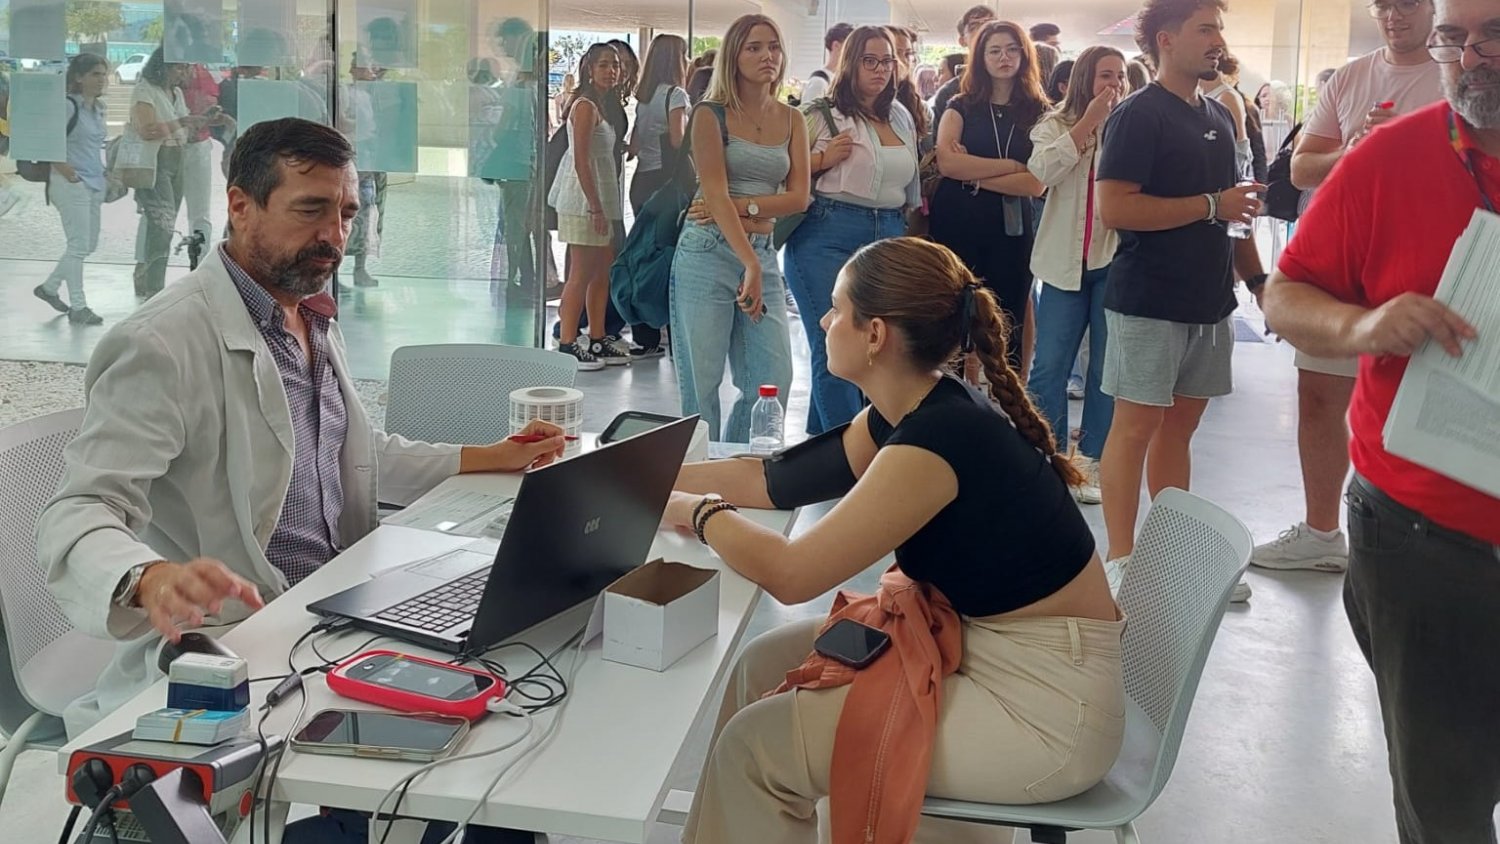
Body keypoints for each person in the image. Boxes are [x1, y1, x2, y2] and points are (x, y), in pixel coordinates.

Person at [36, 117, 567, 738]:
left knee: (521, 680)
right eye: (310, 210)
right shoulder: (161, 343)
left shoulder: (307, 316)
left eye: (345, 214)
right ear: (240, 205)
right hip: (240, 640)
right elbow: (79, 509)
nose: (332, 237)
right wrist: (149, 577)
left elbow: (349, 451)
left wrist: (490, 456)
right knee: (488, 732)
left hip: (336, 605)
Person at [668, 237, 1124, 844]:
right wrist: (631, 478)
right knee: (761, 664)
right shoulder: (909, 411)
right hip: (989, 649)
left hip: (1045, 709)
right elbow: (773, 480)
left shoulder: (939, 440)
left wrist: (699, 513)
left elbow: (793, 573)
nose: (825, 321)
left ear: (875, 333)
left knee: (754, 748)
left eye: (836, 309)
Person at [1262, 2, 1500, 839]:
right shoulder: (1388, 159)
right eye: (1453, 37)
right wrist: (1361, 327)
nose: (1471, 55)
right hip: (1427, 541)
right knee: (1446, 800)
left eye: (1494, 34)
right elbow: (1284, 293)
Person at [1262, 0, 1443, 573]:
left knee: (1426, 401)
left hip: (1431, 262)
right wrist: (1357, 151)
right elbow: (1301, 170)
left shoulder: (1455, 74)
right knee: (1318, 393)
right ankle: (1321, 531)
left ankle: (1429, 538)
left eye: (1407, 4)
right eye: (1384, 5)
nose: (1394, 16)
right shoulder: (1351, 76)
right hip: (1345, 262)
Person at [1095, 0, 1266, 601]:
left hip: (1210, 300)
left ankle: (1172, 558)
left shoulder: (1219, 114)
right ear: (1167, 40)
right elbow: (1115, 208)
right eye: (1205, 29)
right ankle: (1121, 559)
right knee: (1136, 426)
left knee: (1179, 430)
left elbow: (1231, 214)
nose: (1217, 40)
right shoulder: (1139, 116)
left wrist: (1259, 283)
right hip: (1148, 300)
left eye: (1219, 28)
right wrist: (1212, 205)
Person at [672, 14, 810, 442]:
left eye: (773, 46)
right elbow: (711, 192)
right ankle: (702, 477)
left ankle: (738, 463)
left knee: (773, 378)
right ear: (734, 55)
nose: (767, 55)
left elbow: (798, 198)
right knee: (703, 384)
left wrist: (744, 211)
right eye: (753, 47)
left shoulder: (793, 119)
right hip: (706, 252)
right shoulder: (709, 115)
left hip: (760, 248)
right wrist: (747, 250)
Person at [783, 25, 922, 435]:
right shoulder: (823, 113)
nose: (880, 70)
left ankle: (824, 440)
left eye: (887, 61)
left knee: (878, 350)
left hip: (889, 233)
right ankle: (851, 458)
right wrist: (823, 159)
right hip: (827, 231)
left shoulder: (899, 114)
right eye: (870, 60)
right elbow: (782, 173)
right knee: (838, 345)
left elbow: (909, 184)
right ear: (851, 62)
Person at [1028, 47, 1129, 506]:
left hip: (1114, 264)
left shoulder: (1131, 126)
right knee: (1048, 366)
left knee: (1105, 371)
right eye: (1106, 75)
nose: (1115, 83)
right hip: (1062, 267)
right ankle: (1046, 456)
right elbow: (1041, 172)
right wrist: (1086, 123)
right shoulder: (1054, 124)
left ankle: (1090, 459)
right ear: (1086, 78)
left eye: (1122, 75)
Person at [929, 20, 1047, 373]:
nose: (1004, 57)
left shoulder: (1039, 111)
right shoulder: (959, 105)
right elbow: (948, 163)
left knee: (1010, 309)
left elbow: (1036, 183)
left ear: (1025, 55)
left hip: (1011, 227)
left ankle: (1009, 396)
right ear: (980, 57)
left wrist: (976, 176)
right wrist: (1012, 166)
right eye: (994, 50)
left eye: (1012, 49)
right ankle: (961, 392)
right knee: (956, 307)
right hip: (958, 221)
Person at [549, 43, 631, 369]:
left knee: (602, 271)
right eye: (603, 65)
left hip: (603, 198)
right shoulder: (584, 105)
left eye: (615, 65)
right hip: (584, 201)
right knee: (580, 273)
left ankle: (597, 337)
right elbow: (581, 159)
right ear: (589, 69)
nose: (611, 71)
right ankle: (568, 342)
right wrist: (595, 206)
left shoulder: (604, 105)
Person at [32, 54, 110, 326]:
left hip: (93, 182)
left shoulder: (99, 109)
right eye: (95, 74)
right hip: (70, 183)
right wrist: (68, 172)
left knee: (88, 244)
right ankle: (79, 305)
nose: (102, 79)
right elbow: (47, 141)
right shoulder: (67, 106)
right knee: (78, 245)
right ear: (79, 77)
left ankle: (50, 287)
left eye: (103, 74)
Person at [625, 34, 690, 357]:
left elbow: (634, 146)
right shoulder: (676, 95)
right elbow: (678, 141)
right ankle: (670, 330)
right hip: (667, 184)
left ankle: (645, 333)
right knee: (668, 257)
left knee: (644, 256)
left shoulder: (645, 97)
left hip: (641, 181)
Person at [130, 49, 203, 299]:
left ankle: (151, 279)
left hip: (177, 155)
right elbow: (147, 129)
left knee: (166, 223)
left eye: (184, 68)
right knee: (162, 224)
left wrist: (200, 120)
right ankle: (153, 285)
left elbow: (183, 126)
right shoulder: (145, 90)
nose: (182, 73)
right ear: (163, 67)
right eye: (178, 68)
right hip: (156, 158)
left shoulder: (176, 92)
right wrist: (182, 121)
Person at [343, 54, 387, 290]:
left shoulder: (376, 95)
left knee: (368, 214)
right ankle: (339, 269)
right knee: (350, 214)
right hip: (355, 158)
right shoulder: (347, 93)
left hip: (370, 158)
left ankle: (360, 268)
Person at [931, 4, 999, 136]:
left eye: (990, 24)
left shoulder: (1019, 84)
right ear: (962, 40)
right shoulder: (949, 93)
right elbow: (942, 150)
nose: (984, 30)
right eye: (974, 26)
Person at [801, 22, 854, 104]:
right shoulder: (818, 83)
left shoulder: (842, 80)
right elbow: (807, 115)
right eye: (850, 46)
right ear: (836, 45)